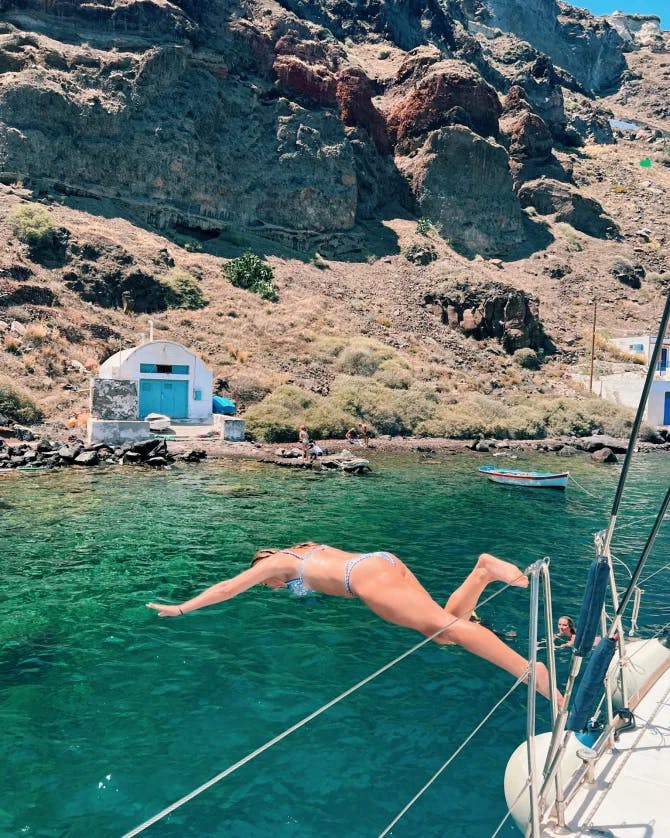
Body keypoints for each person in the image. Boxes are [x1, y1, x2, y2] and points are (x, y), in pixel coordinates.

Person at [147, 545, 561, 704]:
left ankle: (531, 672)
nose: (271, 587)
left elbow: (226, 589)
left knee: (443, 630)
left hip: (362, 579)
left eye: (268, 584)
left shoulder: (274, 563)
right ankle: (482, 570)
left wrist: (182, 608)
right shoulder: (303, 549)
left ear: (263, 565)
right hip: (381, 560)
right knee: (446, 628)